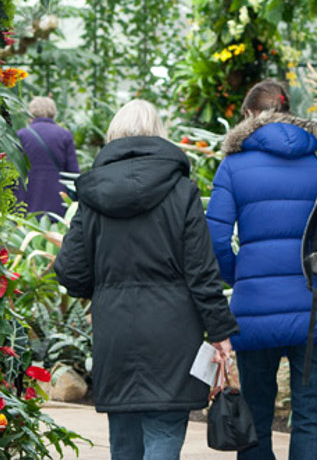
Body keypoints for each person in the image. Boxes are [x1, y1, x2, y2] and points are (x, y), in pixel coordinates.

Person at [54, 99, 238, 460]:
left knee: (123, 438)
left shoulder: (92, 195)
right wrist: (219, 333)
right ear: (158, 135)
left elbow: (70, 270)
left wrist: (104, 288)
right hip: (173, 333)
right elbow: (202, 271)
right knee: (165, 431)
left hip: (115, 330)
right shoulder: (182, 191)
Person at [206, 80, 317, 460]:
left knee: (256, 415)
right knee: (310, 415)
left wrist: (237, 275)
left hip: (255, 310)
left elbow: (214, 239)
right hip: (316, 307)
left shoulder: (234, 165)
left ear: (248, 115)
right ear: (289, 111)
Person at [15, 96, 79, 218]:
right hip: (58, 199)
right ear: (53, 112)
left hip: (27, 199)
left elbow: (12, 170)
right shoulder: (64, 135)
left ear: (31, 112)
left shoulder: (21, 135)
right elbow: (73, 172)